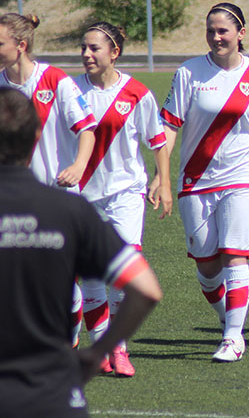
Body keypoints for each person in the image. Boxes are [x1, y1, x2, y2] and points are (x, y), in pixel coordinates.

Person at [0, 87, 162, 417]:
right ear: (36, 137)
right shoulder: (70, 211)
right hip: (54, 394)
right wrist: (96, 352)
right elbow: (146, 289)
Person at [160, 2, 249, 362]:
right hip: (196, 178)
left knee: (233, 255)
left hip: (243, 175)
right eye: (210, 30)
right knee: (207, 266)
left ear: (241, 34)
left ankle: (233, 337)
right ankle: (229, 320)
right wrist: (161, 174)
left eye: (223, 30)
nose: (216, 37)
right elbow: (170, 125)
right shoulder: (189, 72)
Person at [74, 22, 172, 378]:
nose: (86, 54)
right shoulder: (69, 91)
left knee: (122, 273)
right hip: (82, 197)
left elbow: (157, 140)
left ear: (114, 52)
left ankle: (120, 349)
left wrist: (163, 181)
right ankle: (101, 348)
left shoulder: (137, 93)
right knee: (92, 277)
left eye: (94, 48)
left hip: (126, 195)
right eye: (83, 48)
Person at [0, 12, 97, 346]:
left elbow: (87, 130)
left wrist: (78, 166)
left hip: (56, 195)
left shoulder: (56, 81)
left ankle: (66, 341)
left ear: (21, 45)